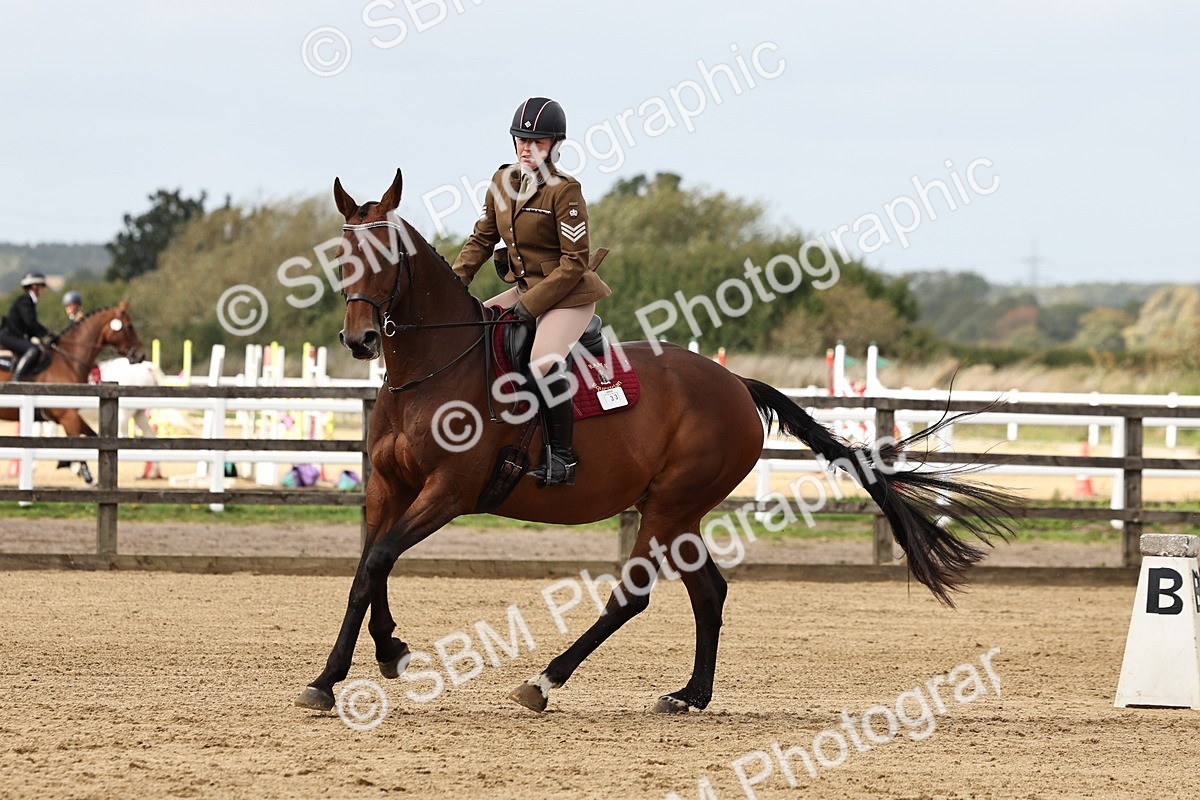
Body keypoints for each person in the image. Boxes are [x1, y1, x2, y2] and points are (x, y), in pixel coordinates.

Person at [452, 97, 611, 487]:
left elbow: (575, 262)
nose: (527, 148)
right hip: (526, 289)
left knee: (542, 362)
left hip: (569, 294)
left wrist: (530, 305)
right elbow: (481, 239)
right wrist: (455, 283)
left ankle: (562, 459)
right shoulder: (501, 182)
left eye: (537, 142)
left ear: (554, 146)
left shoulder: (564, 191)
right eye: (521, 140)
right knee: (471, 328)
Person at [0, 272, 52, 381]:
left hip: (14, 335)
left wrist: (39, 337)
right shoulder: (25, 300)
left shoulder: (30, 301)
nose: (43, 289)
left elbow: (29, 327)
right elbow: (30, 322)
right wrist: (47, 334)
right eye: (42, 286)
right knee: (33, 350)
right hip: (8, 336)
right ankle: (16, 378)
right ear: (34, 286)